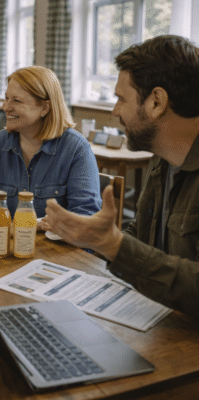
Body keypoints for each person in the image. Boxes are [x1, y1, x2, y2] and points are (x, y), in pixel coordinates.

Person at [44, 35, 199, 319]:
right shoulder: (161, 161)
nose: (115, 111)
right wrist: (89, 236)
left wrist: (111, 243)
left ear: (156, 102)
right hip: (157, 321)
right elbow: (140, 238)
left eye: (121, 98)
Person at [0, 66, 101, 219]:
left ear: (45, 108)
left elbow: (86, 215)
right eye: (6, 98)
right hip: (4, 240)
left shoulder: (76, 149)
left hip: (55, 242)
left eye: (17, 100)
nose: (6, 107)